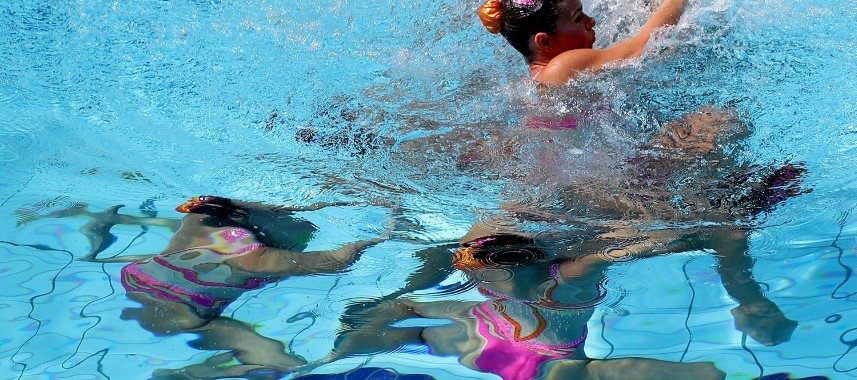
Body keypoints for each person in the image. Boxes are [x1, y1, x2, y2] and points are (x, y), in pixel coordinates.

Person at [317, 217, 797, 379]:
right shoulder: (485, 270)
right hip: (500, 341)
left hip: (535, 355)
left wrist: (751, 299)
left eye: (489, 277)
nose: (477, 282)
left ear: (523, 270)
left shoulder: (571, 278)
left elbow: (722, 232)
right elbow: (423, 302)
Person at [34, 196, 389, 379]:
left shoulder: (196, 314)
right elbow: (339, 259)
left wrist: (379, 238)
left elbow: (340, 261)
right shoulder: (132, 280)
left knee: (332, 257)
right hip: (194, 258)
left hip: (210, 269)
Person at [478, 0, 688, 88]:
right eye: (578, 18)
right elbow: (641, 46)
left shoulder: (543, 80)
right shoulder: (562, 66)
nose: (591, 21)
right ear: (545, 42)